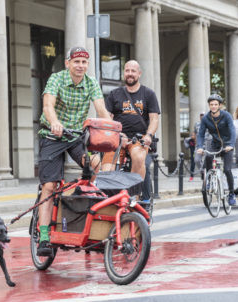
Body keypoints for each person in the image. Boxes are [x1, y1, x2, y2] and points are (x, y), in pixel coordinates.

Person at [36, 47, 111, 256]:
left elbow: (102, 110)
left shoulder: (91, 82)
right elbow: (48, 106)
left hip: (76, 137)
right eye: (76, 62)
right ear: (68, 63)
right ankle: (43, 236)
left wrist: (114, 130)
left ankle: (90, 223)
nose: (80, 66)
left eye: (84, 62)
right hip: (53, 136)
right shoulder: (56, 79)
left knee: (98, 168)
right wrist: (55, 122)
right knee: (50, 186)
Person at [100, 60, 160, 183]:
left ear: (139, 73)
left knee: (138, 158)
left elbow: (154, 119)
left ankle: (134, 196)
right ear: (124, 73)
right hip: (118, 137)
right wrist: (114, 134)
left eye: (133, 71)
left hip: (139, 138)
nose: (130, 73)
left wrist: (149, 135)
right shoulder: (114, 94)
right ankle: (112, 198)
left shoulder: (149, 94)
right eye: (127, 70)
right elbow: (108, 118)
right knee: (107, 168)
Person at [197, 94, 237, 205]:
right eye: (211, 104)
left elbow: (232, 131)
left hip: (228, 144)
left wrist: (231, 144)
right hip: (215, 143)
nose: (213, 106)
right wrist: (200, 147)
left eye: (215, 104)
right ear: (209, 105)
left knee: (228, 170)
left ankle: (232, 193)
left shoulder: (227, 116)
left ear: (219, 105)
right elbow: (200, 134)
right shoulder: (206, 118)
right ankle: (209, 179)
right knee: (208, 156)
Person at [194, 112, 212, 179]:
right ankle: (202, 171)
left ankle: (208, 173)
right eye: (201, 115)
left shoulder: (210, 123)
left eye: (203, 115)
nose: (202, 116)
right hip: (199, 145)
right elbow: (196, 134)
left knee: (208, 160)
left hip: (208, 144)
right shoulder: (197, 124)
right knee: (197, 160)